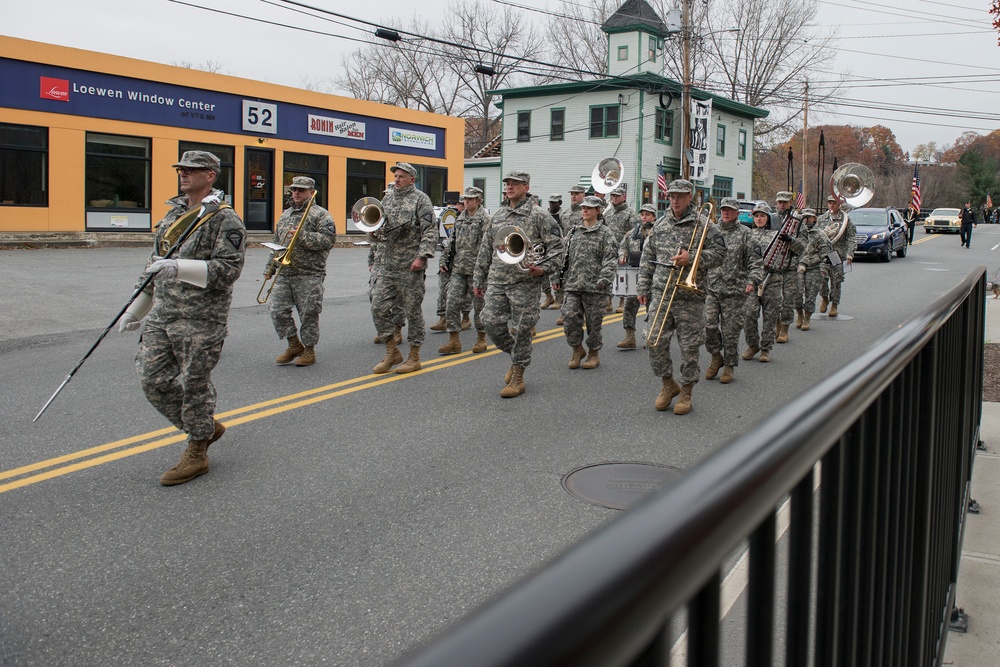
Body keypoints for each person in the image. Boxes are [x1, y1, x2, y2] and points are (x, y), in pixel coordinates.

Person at [118, 150, 245, 486]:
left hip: (202, 317)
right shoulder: (174, 212)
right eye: (181, 169)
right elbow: (153, 265)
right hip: (164, 312)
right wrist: (136, 308)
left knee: (195, 386)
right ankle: (203, 427)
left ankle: (197, 448)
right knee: (152, 379)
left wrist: (181, 267)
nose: (184, 174)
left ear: (211, 175)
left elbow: (228, 270)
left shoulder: (224, 219)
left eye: (192, 170)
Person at [637, 179, 725, 415]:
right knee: (653, 341)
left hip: (690, 296)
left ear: (690, 197)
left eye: (680, 196)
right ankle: (668, 384)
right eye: (672, 196)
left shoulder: (705, 224)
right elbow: (647, 258)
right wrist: (642, 287)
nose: (675, 200)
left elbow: (720, 253)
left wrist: (693, 257)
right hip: (661, 293)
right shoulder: (660, 225)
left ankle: (686, 390)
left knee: (689, 348)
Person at [473, 171, 564, 398]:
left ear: (526, 187)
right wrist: (478, 278)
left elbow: (558, 249)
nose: (510, 187)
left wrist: (543, 269)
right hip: (497, 279)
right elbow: (486, 249)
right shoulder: (499, 215)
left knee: (523, 329)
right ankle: (516, 358)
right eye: (507, 183)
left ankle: (518, 376)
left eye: (515, 184)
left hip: (525, 283)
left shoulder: (540, 215)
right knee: (489, 322)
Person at [370, 162, 436, 374]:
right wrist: (372, 235)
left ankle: (414, 356)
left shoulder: (420, 199)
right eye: (396, 176)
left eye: (401, 176)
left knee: (412, 312)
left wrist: (422, 256)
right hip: (387, 265)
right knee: (378, 308)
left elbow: (430, 231)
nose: (397, 179)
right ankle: (392, 351)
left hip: (410, 266)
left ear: (411, 179)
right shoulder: (387, 198)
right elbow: (377, 226)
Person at [266, 176, 336, 367]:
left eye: (301, 190)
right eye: (294, 190)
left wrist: (301, 236)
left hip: (309, 272)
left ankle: (309, 350)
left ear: (311, 193)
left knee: (308, 313)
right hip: (285, 271)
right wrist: (269, 268)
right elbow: (277, 243)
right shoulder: (285, 214)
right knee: (277, 310)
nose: (296, 193)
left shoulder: (321, 215)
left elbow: (327, 241)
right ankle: (293, 344)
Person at [704, 197, 762, 384]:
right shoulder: (711, 231)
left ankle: (729, 365)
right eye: (723, 209)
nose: (726, 213)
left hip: (735, 291)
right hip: (712, 288)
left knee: (730, 331)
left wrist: (753, 280)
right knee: (708, 326)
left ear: (738, 212)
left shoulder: (746, 233)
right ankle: (715, 356)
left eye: (730, 210)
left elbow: (756, 261)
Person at [559, 196, 619, 370]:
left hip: (596, 287)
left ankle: (593, 353)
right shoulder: (573, 232)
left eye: (589, 208)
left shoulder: (605, 233)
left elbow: (610, 259)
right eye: (583, 208)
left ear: (598, 211)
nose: (584, 210)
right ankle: (577, 349)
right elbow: (564, 257)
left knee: (594, 323)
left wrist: (604, 279)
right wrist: (558, 277)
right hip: (573, 284)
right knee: (569, 318)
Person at [438, 186, 491, 355]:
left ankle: (481, 338)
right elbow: (452, 241)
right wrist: (444, 260)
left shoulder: (485, 220)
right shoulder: (460, 218)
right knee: (451, 302)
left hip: (477, 270)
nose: (466, 202)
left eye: (470, 199)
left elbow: (488, 247)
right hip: (459, 268)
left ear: (478, 200)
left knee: (479, 306)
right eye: (465, 199)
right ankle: (454, 340)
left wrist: (484, 270)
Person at [743, 204, 780, 363]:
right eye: (756, 216)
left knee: (770, 316)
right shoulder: (747, 234)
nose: (759, 218)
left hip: (771, 279)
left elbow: (799, 249)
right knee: (749, 314)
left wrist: (790, 240)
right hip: (751, 280)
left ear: (768, 218)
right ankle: (752, 345)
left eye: (762, 216)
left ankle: (765, 349)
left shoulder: (776, 236)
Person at [617, 203, 657, 350]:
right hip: (635, 274)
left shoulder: (658, 232)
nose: (644, 217)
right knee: (629, 305)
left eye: (648, 214)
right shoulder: (633, 232)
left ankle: (651, 336)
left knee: (652, 307)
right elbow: (623, 246)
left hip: (652, 274)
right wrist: (622, 256)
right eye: (643, 214)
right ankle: (629, 337)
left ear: (654, 216)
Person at [787, 208, 833, 332]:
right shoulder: (796, 232)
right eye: (804, 217)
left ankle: (807, 317)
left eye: (809, 217)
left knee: (810, 295)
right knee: (796, 293)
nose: (806, 219)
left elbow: (826, 252)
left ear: (814, 218)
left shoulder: (820, 234)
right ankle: (799, 314)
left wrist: (810, 262)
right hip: (797, 267)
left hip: (814, 268)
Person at [431, 199, 470, 332]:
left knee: (465, 293)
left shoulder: (474, 220)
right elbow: (447, 243)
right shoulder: (453, 219)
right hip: (449, 259)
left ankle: (465, 317)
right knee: (443, 289)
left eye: (460, 205)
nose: (457, 207)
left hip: (464, 263)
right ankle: (443, 318)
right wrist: (442, 262)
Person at [818, 195, 856, 318]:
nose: (831, 205)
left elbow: (851, 237)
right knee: (821, 279)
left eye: (834, 203)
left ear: (839, 204)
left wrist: (850, 254)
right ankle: (824, 297)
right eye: (829, 203)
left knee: (836, 280)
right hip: (823, 254)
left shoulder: (845, 220)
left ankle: (834, 304)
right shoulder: (822, 219)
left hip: (837, 254)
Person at [771, 191, 801, 343]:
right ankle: (776, 324)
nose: (782, 205)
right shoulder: (771, 218)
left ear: (790, 202)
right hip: (773, 265)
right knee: (774, 300)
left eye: (785, 202)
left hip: (790, 265)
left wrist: (792, 240)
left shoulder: (797, 220)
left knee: (788, 299)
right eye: (780, 202)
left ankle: (784, 328)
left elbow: (804, 246)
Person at [606, 186, 641, 313]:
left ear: (623, 197)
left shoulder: (631, 213)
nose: (614, 198)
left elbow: (635, 233)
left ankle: (621, 302)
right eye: (613, 196)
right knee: (608, 274)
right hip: (609, 248)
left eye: (617, 196)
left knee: (622, 276)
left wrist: (627, 250)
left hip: (622, 248)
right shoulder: (608, 212)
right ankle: (608, 302)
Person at [554, 185, 586, 320]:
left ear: (583, 195)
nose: (574, 196)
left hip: (583, 251)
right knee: (564, 282)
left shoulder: (586, 212)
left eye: (577, 194)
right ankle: (564, 312)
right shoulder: (564, 213)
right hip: (566, 251)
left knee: (580, 284)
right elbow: (561, 231)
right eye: (572, 194)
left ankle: (582, 313)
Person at [540, 193, 563, 309]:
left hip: (558, 248)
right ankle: (548, 296)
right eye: (550, 202)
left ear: (560, 203)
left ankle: (559, 299)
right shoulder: (545, 215)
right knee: (543, 272)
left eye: (555, 202)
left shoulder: (564, 215)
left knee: (556, 273)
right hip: (544, 247)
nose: (552, 204)